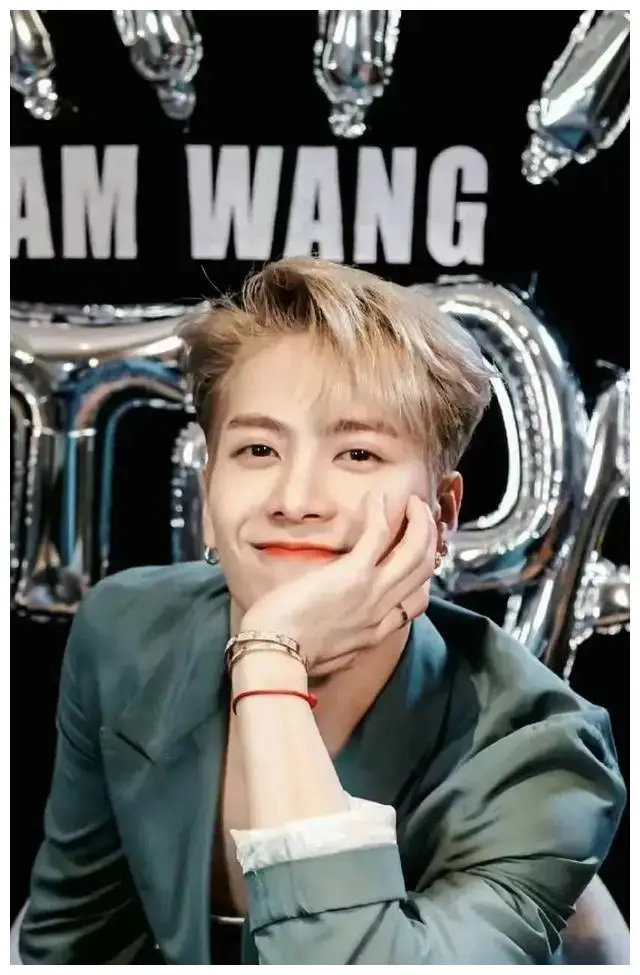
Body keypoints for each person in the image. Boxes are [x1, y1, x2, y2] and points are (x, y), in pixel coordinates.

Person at [20, 258, 626, 965]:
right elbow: (74, 946)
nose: (296, 497)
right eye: (257, 448)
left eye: (357, 453)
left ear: (443, 512)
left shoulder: (542, 755)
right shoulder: (122, 632)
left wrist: (270, 663)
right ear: (209, 493)